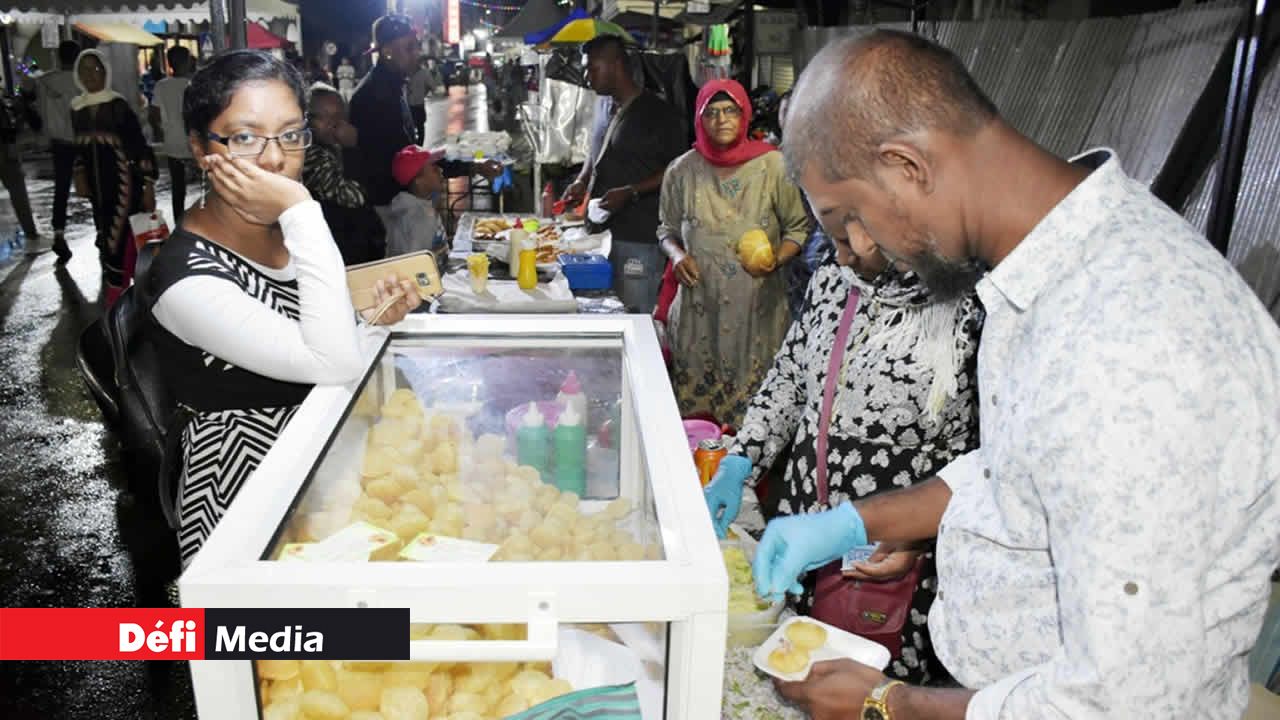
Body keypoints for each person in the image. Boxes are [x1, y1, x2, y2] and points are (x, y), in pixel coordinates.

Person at [758, 30, 1280, 719]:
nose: (860, 251)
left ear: (907, 165)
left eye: (849, 217)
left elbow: (1126, 703)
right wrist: (863, 521)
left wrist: (886, 703)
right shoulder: (1045, 270)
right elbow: (1021, 467)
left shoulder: (1130, 342)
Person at [144, 50, 421, 567]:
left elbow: (312, 338)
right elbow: (330, 363)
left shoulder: (285, 234)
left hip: (324, 477)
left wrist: (368, 318)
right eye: (246, 137)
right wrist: (301, 210)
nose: (275, 159)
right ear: (203, 149)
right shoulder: (185, 279)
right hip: (247, 501)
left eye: (291, 134)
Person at [709, 218, 982, 704]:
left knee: (867, 695)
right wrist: (741, 460)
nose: (842, 254)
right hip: (804, 534)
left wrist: (919, 540)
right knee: (794, 680)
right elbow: (791, 379)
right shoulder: (834, 280)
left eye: (850, 231)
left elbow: (990, 463)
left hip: (893, 559)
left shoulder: (973, 303)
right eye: (830, 236)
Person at [657, 79, 810, 428]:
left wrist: (777, 258)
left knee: (754, 420)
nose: (721, 119)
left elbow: (798, 228)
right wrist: (677, 256)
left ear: (745, 116)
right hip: (699, 312)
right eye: (710, 112)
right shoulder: (681, 171)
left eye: (730, 111)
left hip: (756, 312)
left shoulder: (773, 166)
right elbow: (665, 229)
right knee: (696, 422)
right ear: (699, 119)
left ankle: (749, 481)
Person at [561, 34, 686, 313]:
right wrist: (581, 180)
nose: (586, 75)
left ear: (616, 64)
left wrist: (631, 191)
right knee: (602, 311)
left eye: (592, 67)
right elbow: (596, 151)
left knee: (634, 315)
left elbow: (676, 169)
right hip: (601, 234)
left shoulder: (658, 114)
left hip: (639, 237)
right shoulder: (604, 105)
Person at [71, 49, 157, 306]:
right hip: (97, 190)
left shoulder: (118, 106)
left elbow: (139, 145)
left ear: (105, 72)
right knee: (108, 234)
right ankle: (127, 294)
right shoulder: (77, 108)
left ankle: (116, 298)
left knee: (115, 238)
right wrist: (79, 175)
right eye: (84, 70)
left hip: (124, 183)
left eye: (95, 69)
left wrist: (148, 185)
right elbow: (79, 149)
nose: (90, 75)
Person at [302, 83, 385, 264]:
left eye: (339, 117)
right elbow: (355, 197)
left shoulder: (327, 147)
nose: (335, 125)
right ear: (307, 119)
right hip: (336, 251)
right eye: (326, 118)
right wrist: (352, 149)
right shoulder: (313, 155)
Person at [350, 14, 419, 220]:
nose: (416, 54)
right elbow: (397, 156)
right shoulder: (376, 94)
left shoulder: (392, 84)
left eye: (416, 47)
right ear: (387, 51)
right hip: (386, 207)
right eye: (409, 48)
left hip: (395, 199)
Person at [35, 40, 81, 260]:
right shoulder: (81, 81)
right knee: (91, 185)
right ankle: (102, 232)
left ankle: (59, 233)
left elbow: (36, 106)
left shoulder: (45, 81)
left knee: (61, 188)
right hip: (81, 139)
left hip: (58, 141)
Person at [152, 45, 196, 224]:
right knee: (202, 185)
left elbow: (153, 114)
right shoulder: (193, 84)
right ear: (186, 62)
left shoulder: (161, 86)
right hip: (194, 143)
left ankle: (179, 223)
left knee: (178, 187)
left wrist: (162, 131)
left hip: (172, 142)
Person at [385, 144, 445, 257]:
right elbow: (415, 264)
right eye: (434, 169)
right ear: (419, 182)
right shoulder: (418, 217)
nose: (440, 170)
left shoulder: (421, 203)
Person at [406, 56, 429, 145]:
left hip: (416, 105)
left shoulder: (423, 73)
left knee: (418, 127)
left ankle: (418, 146)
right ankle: (415, 147)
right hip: (411, 105)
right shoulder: (406, 72)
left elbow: (431, 85)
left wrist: (423, 93)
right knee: (415, 127)